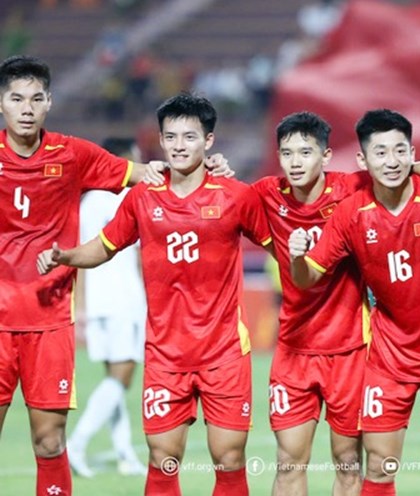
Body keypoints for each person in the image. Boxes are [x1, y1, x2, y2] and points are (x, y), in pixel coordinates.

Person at [36, 93, 270, 495]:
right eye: (171, 137)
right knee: (163, 460)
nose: (179, 145)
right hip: (165, 354)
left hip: (225, 352)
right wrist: (67, 256)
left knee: (229, 458)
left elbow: (277, 246)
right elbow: (105, 246)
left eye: (190, 137)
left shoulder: (235, 195)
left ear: (209, 141)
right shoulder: (143, 196)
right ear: (160, 140)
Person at [251, 111, 420, 496]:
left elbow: (402, 164)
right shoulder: (265, 194)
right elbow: (219, 193)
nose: (296, 162)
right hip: (293, 348)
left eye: (306, 152)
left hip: (351, 349)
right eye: (287, 153)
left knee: (349, 462)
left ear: (326, 155)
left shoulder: (353, 188)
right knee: (288, 462)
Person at [0, 54, 172, 496]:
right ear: (1, 103)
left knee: (49, 441)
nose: (26, 108)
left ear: (49, 102)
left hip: (50, 321)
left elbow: (143, 174)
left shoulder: (72, 154)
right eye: (16, 98)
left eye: (35, 99)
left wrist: (202, 169)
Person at [68, 137, 148, 478]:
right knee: (122, 377)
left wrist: (81, 303)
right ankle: (76, 444)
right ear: (124, 159)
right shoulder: (126, 196)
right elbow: (141, 254)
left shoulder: (88, 201)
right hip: (124, 296)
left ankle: (124, 454)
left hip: (99, 299)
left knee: (114, 379)